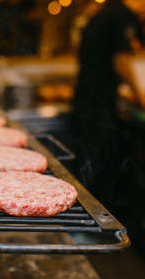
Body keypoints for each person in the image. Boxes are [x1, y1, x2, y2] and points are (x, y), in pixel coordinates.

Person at [71, 0, 144, 208]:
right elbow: (120, 61)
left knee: (87, 169)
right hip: (98, 107)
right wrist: (140, 97)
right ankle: (95, 228)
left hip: (85, 100)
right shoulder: (121, 15)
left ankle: (86, 226)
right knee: (98, 172)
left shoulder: (104, 12)